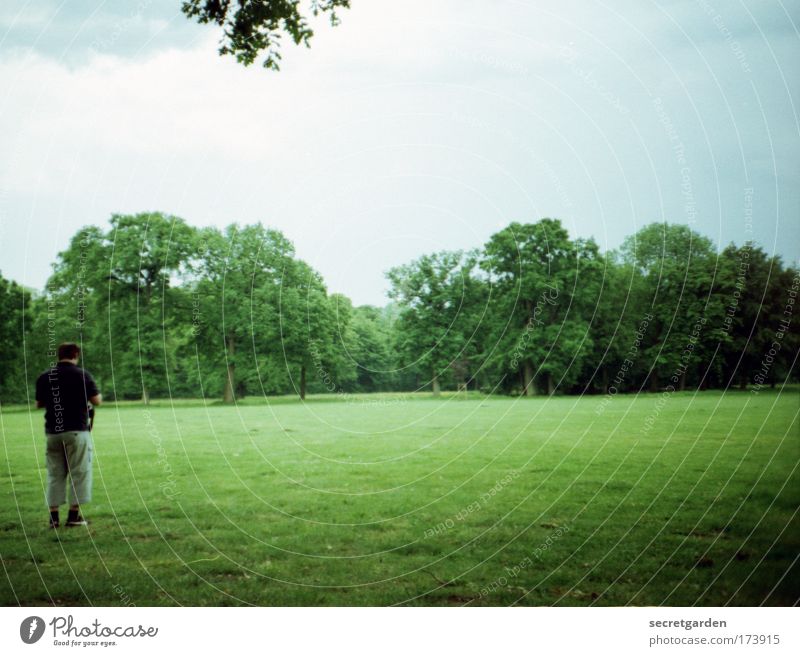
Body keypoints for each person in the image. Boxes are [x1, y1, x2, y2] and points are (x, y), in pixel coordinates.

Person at [35, 342, 102, 528]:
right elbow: (97, 400)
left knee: (55, 474)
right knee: (79, 472)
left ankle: (53, 518)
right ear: (75, 355)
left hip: (52, 433)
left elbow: (38, 404)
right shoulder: (83, 375)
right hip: (76, 431)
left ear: (59, 355)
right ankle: (73, 516)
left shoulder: (45, 376)